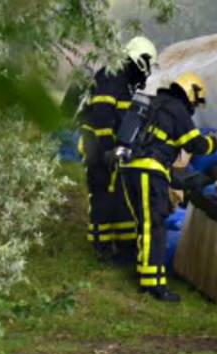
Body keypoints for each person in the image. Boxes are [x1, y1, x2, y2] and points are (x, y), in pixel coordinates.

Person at [118, 72, 217, 301]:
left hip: (131, 169)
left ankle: (145, 271)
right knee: (153, 226)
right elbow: (195, 144)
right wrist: (215, 142)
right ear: (190, 92)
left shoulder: (157, 104)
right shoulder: (177, 110)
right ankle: (152, 284)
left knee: (145, 224)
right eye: (196, 100)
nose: (194, 106)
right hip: (149, 170)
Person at [79, 36, 156, 265]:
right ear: (138, 60)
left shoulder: (124, 80)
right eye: (147, 64)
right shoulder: (111, 76)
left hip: (109, 146)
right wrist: (108, 150)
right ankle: (101, 248)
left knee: (117, 195)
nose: (147, 72)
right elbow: (101, 116)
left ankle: (122, 247)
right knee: (102, 193)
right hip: (96, 144)